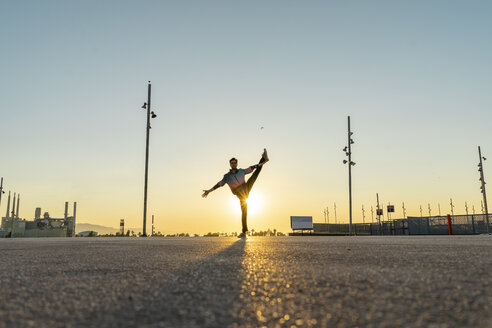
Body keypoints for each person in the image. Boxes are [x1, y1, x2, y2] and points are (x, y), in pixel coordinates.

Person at [202, 149, 269, 238]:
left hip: (246, 188)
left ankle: (264, 159)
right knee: (244, 212)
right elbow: (219, 184)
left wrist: (263, 162)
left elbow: (252, 168)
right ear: (230, 164)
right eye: (232, 163)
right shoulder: (227, 176)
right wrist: (209, 191)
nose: (233, 164)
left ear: (237, 164)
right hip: (239, 193)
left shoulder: (241, 171)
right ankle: (244, 232)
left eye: (235, 163)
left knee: (255, 174)